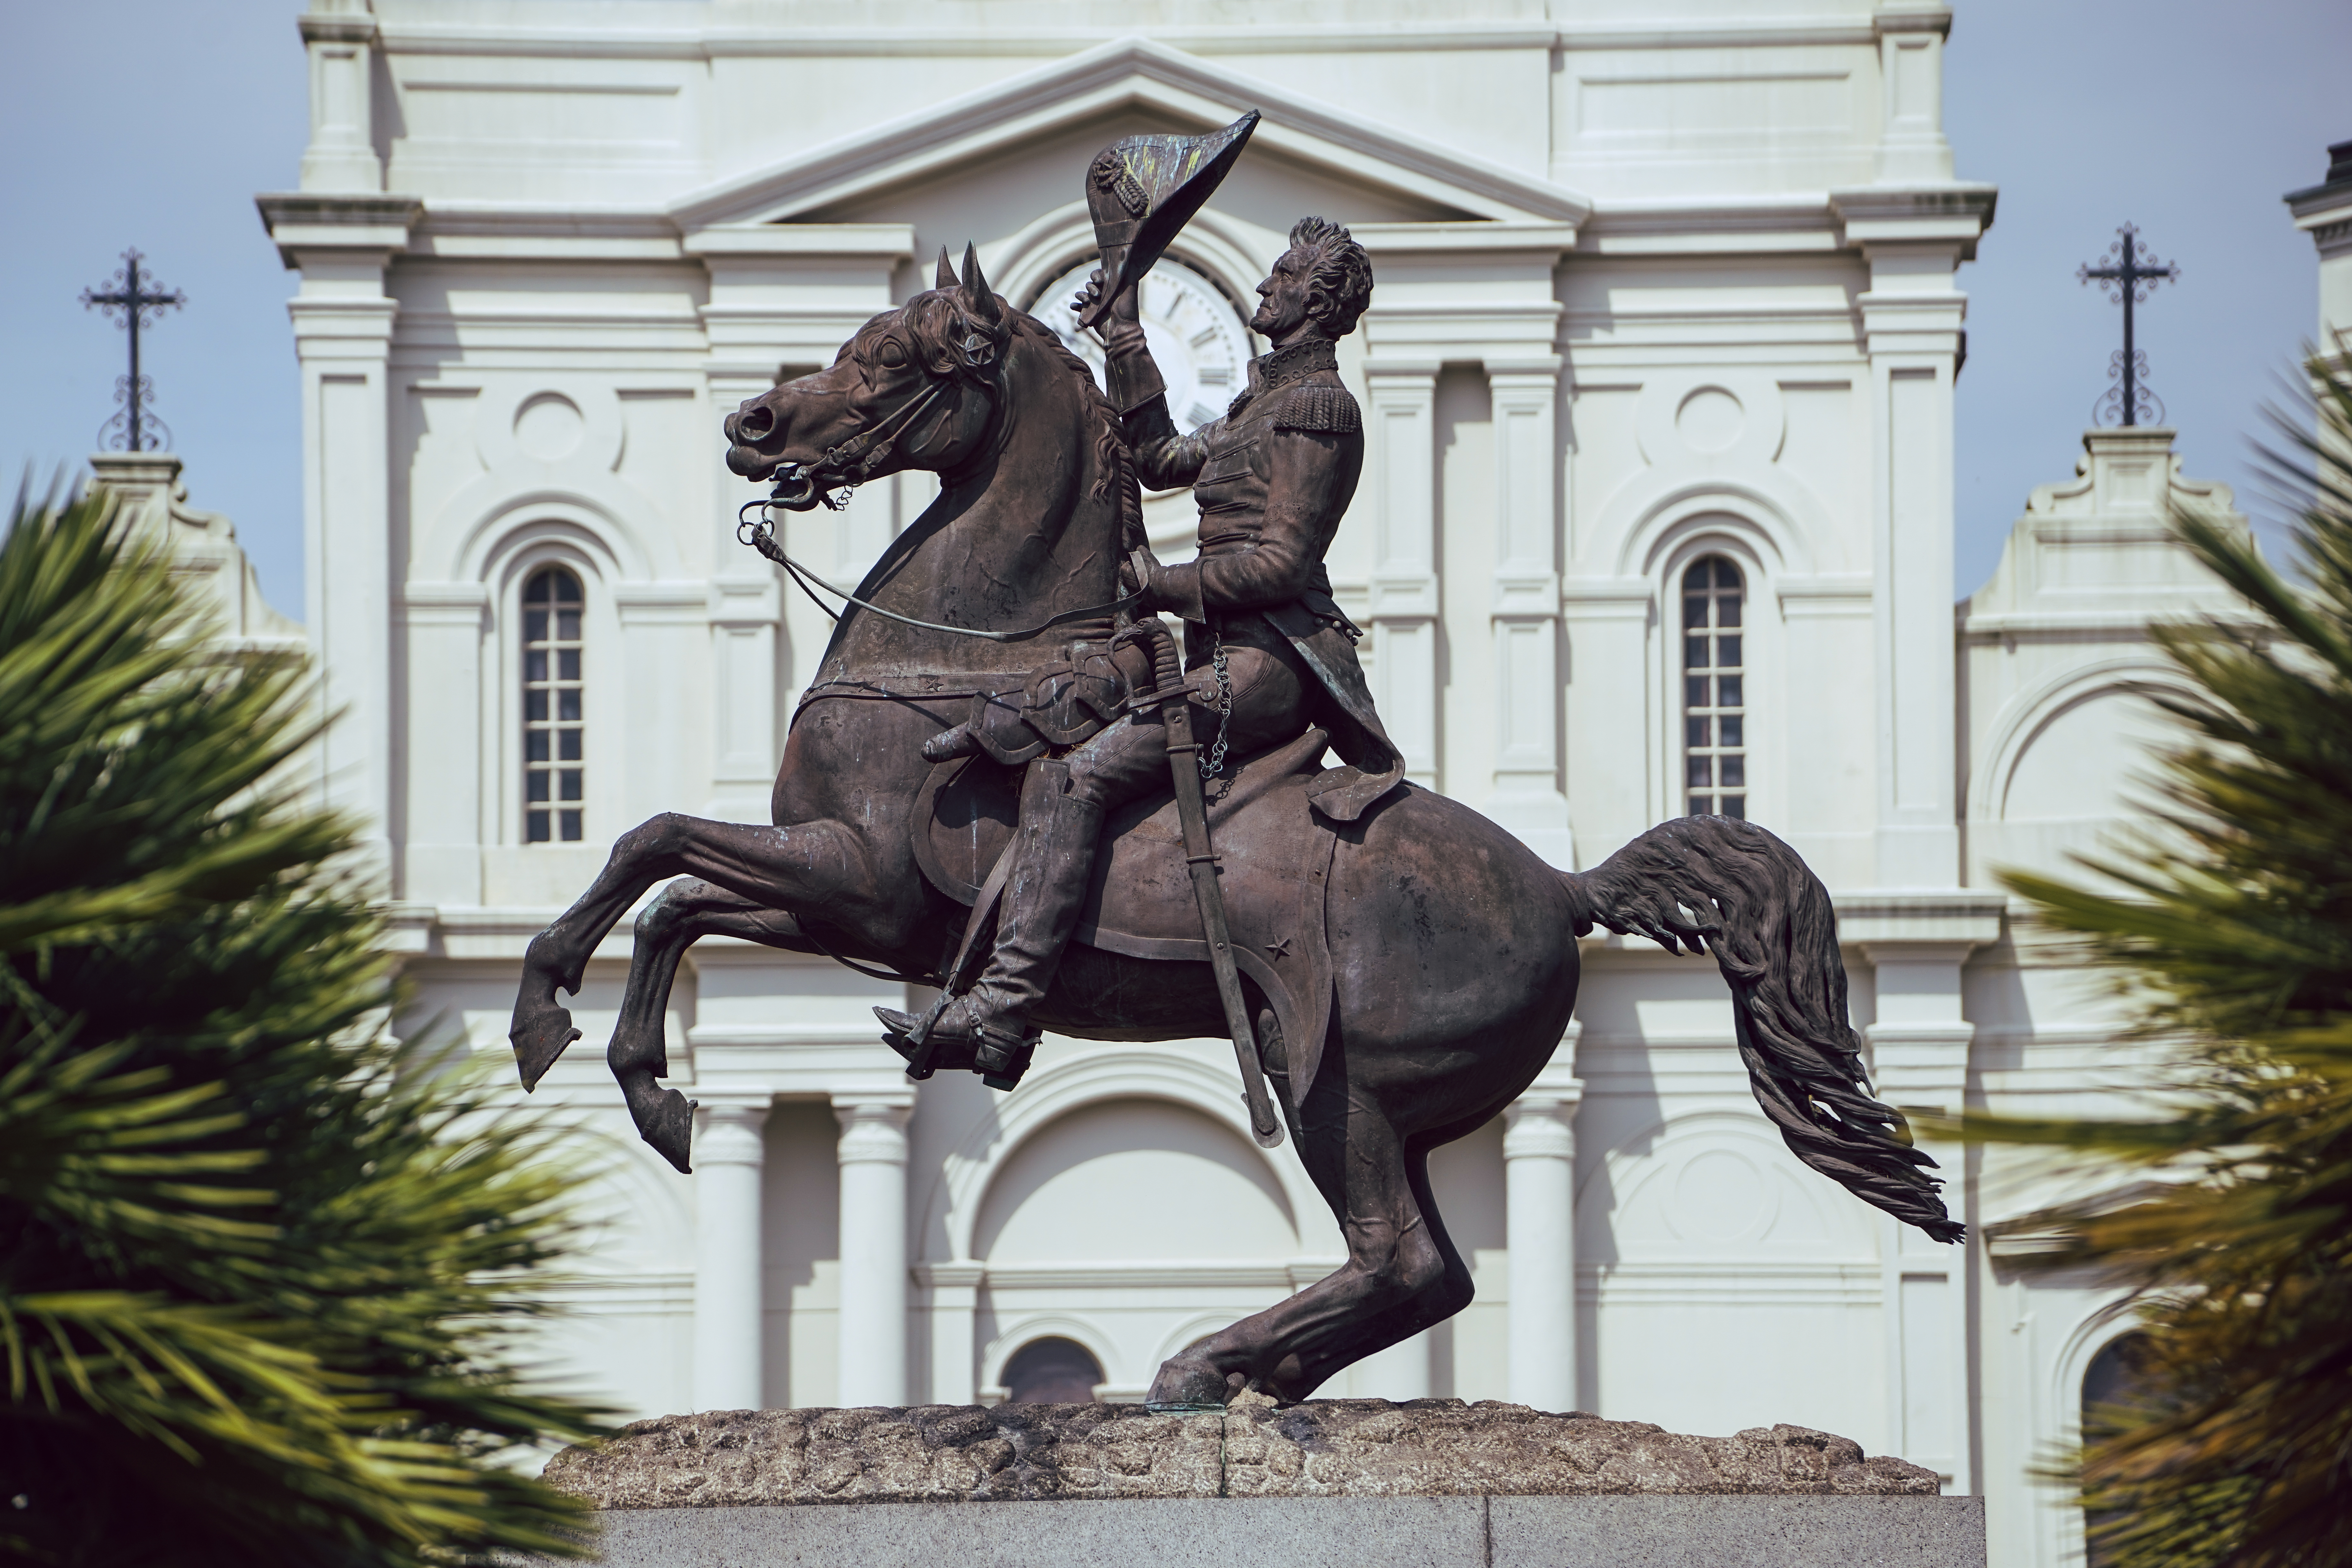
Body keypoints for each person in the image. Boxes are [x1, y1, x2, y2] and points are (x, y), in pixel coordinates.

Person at [880, 216, 1405, 1082]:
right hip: (1215, 652)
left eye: (1281, 276)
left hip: (1268, 664)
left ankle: (1005, 1012)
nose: (1266, 287)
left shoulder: (1318, 408)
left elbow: (1283, 563)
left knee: (1076, 775)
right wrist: (1124, 326)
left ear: (1315, 301)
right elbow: (1162, 456)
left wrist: (1163, 584)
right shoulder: (1261, 403)